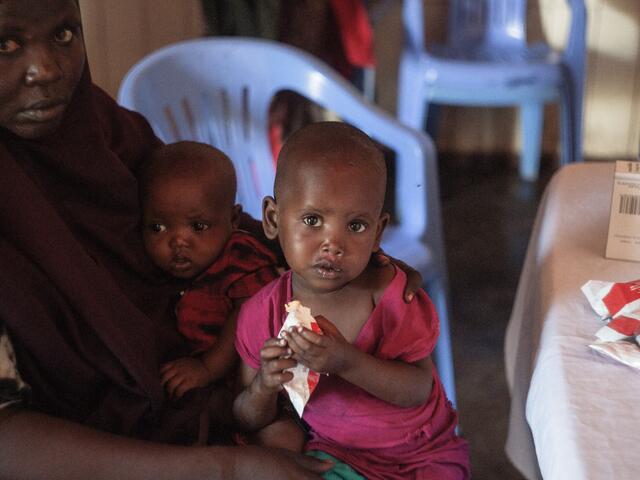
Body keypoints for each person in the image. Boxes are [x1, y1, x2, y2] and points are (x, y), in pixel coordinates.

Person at [0, 0, 335, 477]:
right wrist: (224, 469)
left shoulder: (101, 131)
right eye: (6, 44)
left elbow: (216, 228)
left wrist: (348, 267)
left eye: (64, 35)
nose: (47, 69)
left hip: (203, 404)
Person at [233, 122, 470, 479]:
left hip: (424, 453)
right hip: (336, 453)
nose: (334, 244)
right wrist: (264, 385)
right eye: (312, 220)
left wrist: (346, 361)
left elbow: (418, 389)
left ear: (377, 232)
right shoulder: (263, 315)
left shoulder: (391, 295)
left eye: (356, 226)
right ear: (272, 219)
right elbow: (246, 417)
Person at [139, 141, 279, 406]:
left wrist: (206, 368)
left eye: (198, 226)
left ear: (233, 219)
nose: (178, 242)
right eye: (157, 227)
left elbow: (250, 314)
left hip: (263, 381)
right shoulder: (159, 271)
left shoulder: (239, 256)